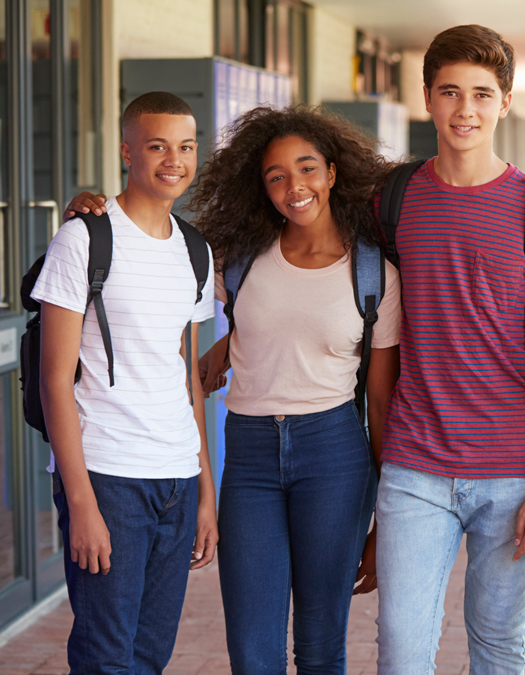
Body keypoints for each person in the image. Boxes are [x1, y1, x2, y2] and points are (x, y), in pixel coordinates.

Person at [63, 105, 404, 675]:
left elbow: (380, 401)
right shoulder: (237, 260)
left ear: (333, 172)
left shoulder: (375, 275)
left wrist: (383, 521)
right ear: (261, 187)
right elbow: (161, 267)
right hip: (247, 458)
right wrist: (86, 206)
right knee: (252, 652)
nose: (294, 186)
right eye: (276, 176)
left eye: (307, 168)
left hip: (335, 454)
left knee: (321, 647)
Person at [370, 25, 525, 675]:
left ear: (506, 102)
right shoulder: (391, 199)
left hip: (514, 468)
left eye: (483, 94)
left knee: (497, 646)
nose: (466, 110)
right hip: (414, 465)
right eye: (451, 93)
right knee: (402, 648)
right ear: (427, 98)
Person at [36, 91, 217, 674]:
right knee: (105, 657)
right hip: (108, 476)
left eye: (186, 146)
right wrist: (82, 502)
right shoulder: (83, 239)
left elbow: (187, 376)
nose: (174, 159)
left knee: (149, 655)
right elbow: (54, 380)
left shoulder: (196, 250)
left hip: (176, 479)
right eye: (157, 145)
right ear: (126, 151)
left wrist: (205, 491)